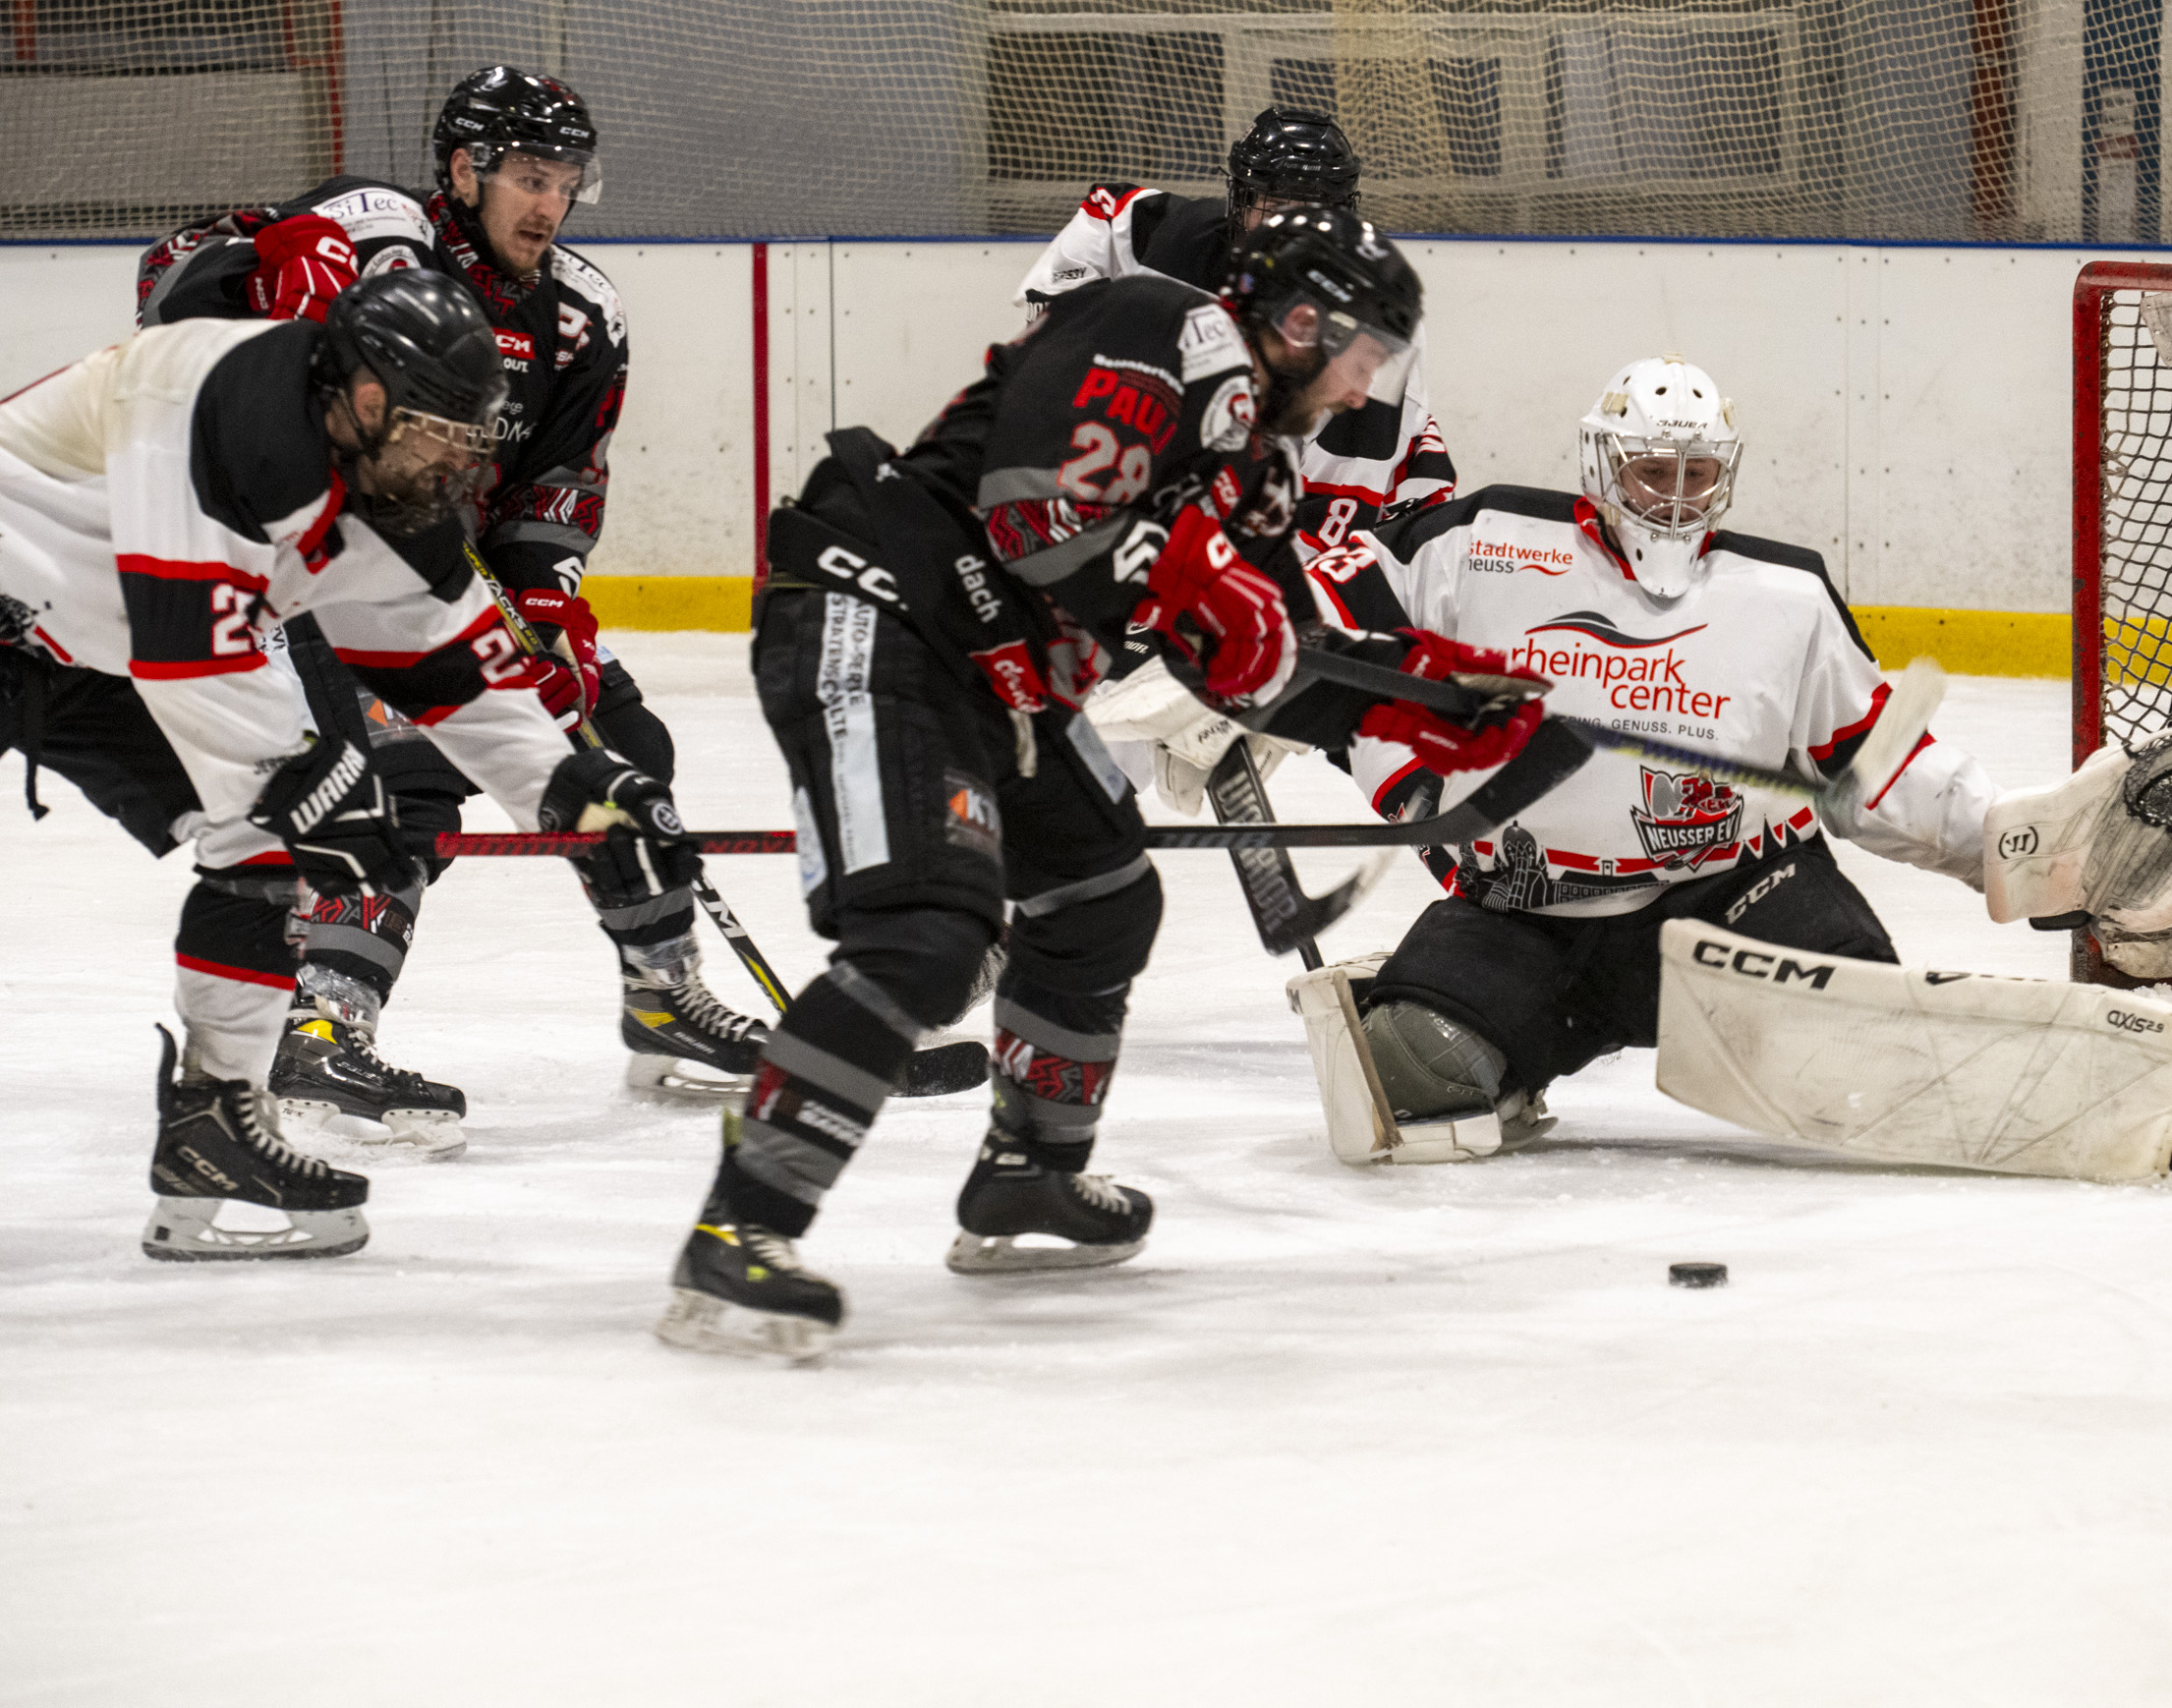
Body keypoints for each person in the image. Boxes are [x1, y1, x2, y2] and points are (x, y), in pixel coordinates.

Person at [656, 209, 1546, 1362]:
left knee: (1101, 897)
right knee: (925, 935)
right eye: (1366, 347)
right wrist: (1188, 581)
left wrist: (1422, 700)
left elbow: (1266, 659)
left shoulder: (1258, 472)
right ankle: (742, 1227)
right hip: (883, 611)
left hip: (1004, 676)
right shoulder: (1160, 320)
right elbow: (1030, 511)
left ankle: (1027, 1174)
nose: (1367, 381)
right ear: (1302, 315)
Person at [0, 271, 693, 1258]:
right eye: (441, 427)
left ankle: (214, 1125)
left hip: (73, 646)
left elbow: (452, 662)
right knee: (285, 803)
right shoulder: (213, 404)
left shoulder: (378, 468)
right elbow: (191, 651)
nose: (459, 456)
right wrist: (321, 785)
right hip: (56, 617)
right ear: (368, 397)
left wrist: (571, 792)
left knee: (260, 846)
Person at [132, 66, 765, 1110]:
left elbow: (558, 484)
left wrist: (549, 604)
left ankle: (662, 993)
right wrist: (260, 266)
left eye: (566, 181)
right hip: (304, 571)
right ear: (465, 169)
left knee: (626, 745)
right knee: (404, 776)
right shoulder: (381, 240)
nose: (550, 204)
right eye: (528, 176)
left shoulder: (581, 314)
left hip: (433, 573)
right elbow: (171, 285)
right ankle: (324, 1023)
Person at [1288, 355, 2011, 1142]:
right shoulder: (1483, 541)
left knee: (1861, 1065)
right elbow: (1322, 600)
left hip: (1734, 906)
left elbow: (1876, 763)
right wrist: (1237, 682)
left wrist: (2007, 846)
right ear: (1603, 466)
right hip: (1528, 914)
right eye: (1651, 470)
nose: (1674, 495)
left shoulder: (1785, 593)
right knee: (1412, 1077)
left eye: (1696, 472)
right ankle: (1463, 1021)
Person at [1014, 106, 1455, 550]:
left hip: (1390, 529)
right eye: (1276, 206)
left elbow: (1339, 510)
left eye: (1315, 210)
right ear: (1239, 200)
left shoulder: (1369, 330)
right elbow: (1108, 211)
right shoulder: (1183, 246)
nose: (1292, 230)